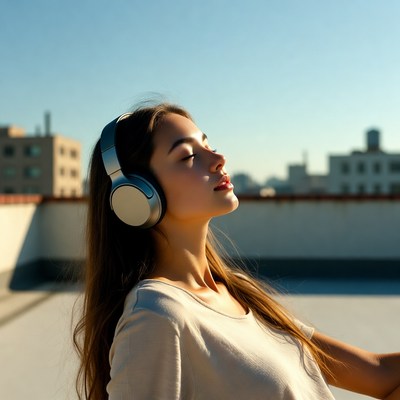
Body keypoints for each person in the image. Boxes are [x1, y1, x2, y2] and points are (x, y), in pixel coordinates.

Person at [73, 102, 400, 400]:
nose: (218, 159)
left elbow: (378, 374)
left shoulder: (235, 291)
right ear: (135, 196)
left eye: (208, 145)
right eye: (188, 156)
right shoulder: (156, 317)